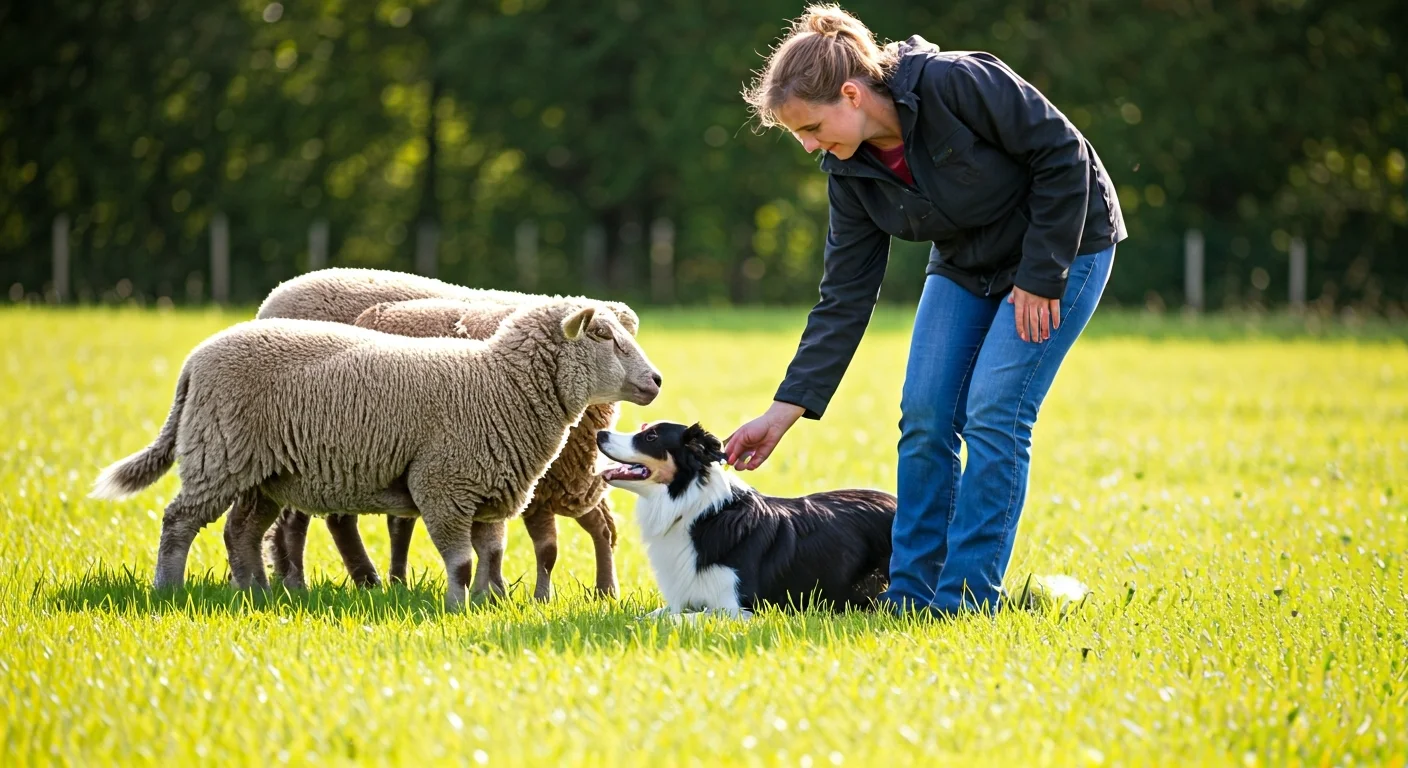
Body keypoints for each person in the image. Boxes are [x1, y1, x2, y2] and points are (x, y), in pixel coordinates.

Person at [725, 4, 1126, 617]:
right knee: (925, 413)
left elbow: (1063, 153)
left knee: (995, 412)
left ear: (851, 94)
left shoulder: (955, 81)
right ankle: (911, 594)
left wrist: (1043, 275)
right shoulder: (849, 170)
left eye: (812, 127)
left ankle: (966, 598)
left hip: (1064, 247)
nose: (809, 145)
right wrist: (784, 410)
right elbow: (844, 295)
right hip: (967, 263)